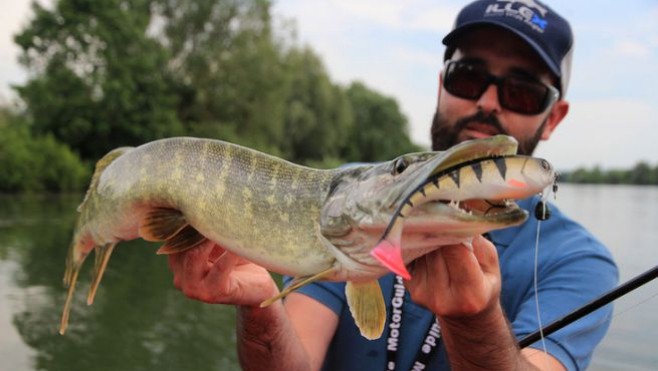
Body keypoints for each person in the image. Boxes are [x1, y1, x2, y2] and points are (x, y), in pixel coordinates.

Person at [167, 1, 618, 370]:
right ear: (443, 86)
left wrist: (476, 324)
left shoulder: (579, 262)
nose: (486, 102)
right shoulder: (350, 198)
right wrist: (260, 306)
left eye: (521, 91)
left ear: (553, 117)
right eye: (468, 77)